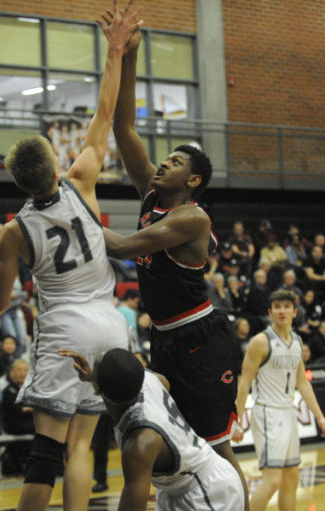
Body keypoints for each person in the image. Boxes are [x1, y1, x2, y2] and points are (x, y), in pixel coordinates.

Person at [0, 7, 140, 511]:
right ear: (56, 163)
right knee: (83, 445)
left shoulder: (12, 232)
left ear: (17, 181)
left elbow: (1, 301)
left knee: (48, 451)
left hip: (64, 332)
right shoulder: (82, 179)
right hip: (111, 325)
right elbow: (105, 113)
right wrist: (115, 49)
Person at [99, 12, 249, 507]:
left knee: (216, 445)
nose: (165, 161)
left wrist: (69, 216)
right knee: (178, 439)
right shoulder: (151, 194)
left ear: (193, 182)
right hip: (165, 336)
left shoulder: (192, 220)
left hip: (201, 339)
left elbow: (120, 247)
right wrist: (130, 51)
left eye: (178, 162)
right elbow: (123, 126)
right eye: (168, 157)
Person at [61, 347, 244, 511]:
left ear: (99, 390)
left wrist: (97, 380)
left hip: (207, 492)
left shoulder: (140, 444)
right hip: (177, 488)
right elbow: (164, 383)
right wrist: (93, 376)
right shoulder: (146, 378)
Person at [234, 289, 325, 511]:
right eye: (277, 307)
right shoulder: (260, 342)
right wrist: (236, 421)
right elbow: (244, 382)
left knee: (291, 478)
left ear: (294, 312)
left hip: (288, 413)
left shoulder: (297, 341)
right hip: (268, 413)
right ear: (270, 313)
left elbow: (302, 382)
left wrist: (320, 416)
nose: (282, 311)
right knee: (273, 481)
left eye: (286, 306)